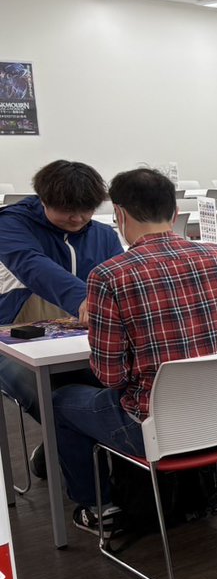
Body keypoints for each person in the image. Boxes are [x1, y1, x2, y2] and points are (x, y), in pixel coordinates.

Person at [52, 168, 217, 537]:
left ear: (119, 215)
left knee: (59, 401)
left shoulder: (109, 276)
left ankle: (98, 506)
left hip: (156, 428)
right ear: (175, 212)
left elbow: (111, 377)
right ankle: (211, 482)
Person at [0, 159, 122, 478]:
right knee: (46, 395)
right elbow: (33, 265)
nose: (78, 219)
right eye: (68, 211)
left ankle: (70, 450)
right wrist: (86, 298)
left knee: (111, 387)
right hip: (11, 338)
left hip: (80, 339)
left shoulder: (103, 235)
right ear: (43, 199)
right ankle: (88, 479)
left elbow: (118, 277)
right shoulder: (11, 225)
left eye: (86, 210)